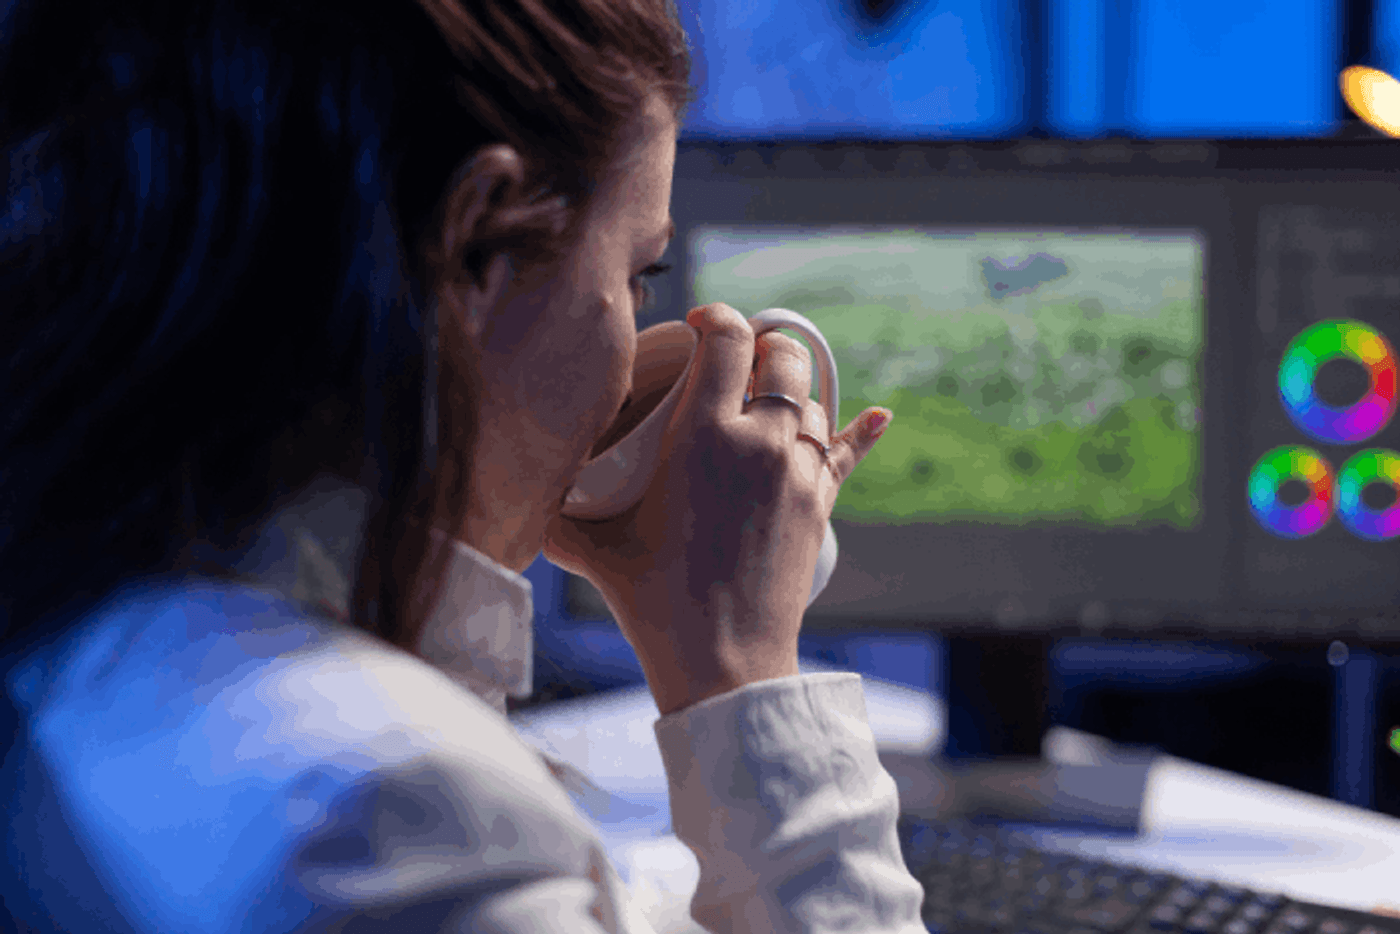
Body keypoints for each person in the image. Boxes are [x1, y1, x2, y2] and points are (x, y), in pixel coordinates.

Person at [0, 0, 920, 931]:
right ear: (477, 245)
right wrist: (742, 669)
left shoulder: (85, 634)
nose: (633, 341)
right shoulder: (413, 814)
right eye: (636, 274)